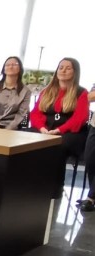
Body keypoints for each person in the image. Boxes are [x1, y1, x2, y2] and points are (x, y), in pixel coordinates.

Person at [30, 57, 88, 196]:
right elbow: (35, 113)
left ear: (75, 72)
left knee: (58, 145)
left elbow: (79, 118)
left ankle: (54, 188)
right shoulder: (47, 91)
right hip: (46, 129)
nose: (63, 70)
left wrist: (58, 130)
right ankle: (29, 182)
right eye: (61, 67)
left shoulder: (81, 92)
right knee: (26, 139)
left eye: (68, 68)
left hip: (71, 133)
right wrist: (42, 128)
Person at [0, 56, 32, 129]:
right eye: (7, 65)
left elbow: (21, 114)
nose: (11, 66)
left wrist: (8, 128)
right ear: (4, 69)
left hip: (12, 128)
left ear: (20, 69)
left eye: (14, 64)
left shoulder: (26, 91)